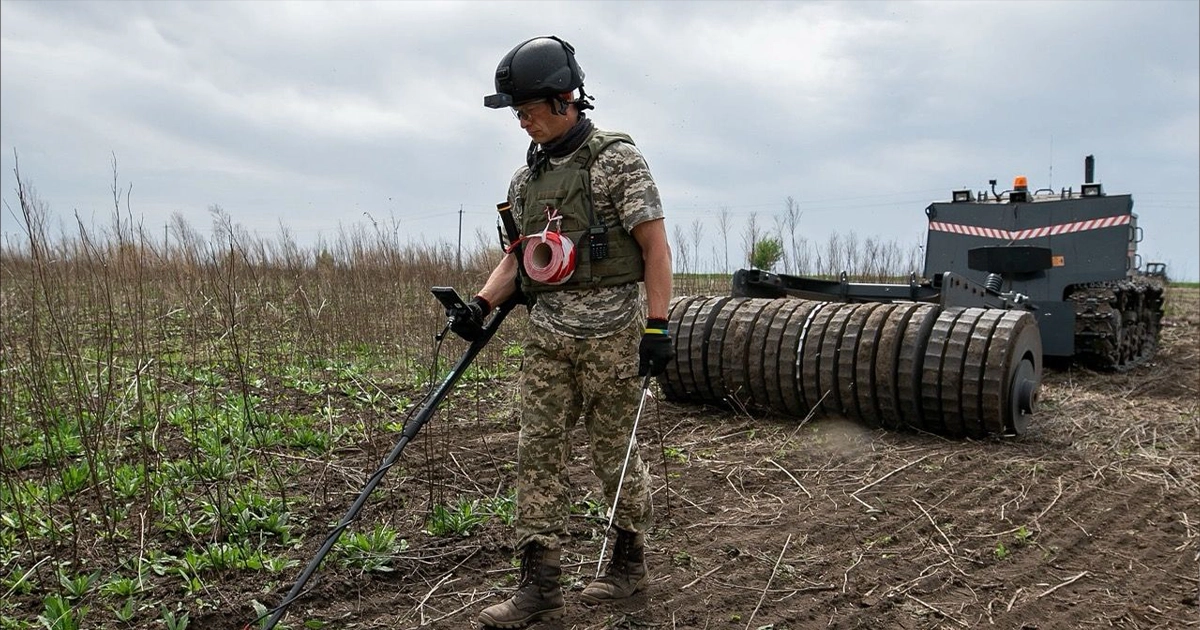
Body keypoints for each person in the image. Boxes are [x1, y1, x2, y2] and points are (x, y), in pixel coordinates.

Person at [447, 35, 674, 629]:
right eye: (516, 113)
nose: (522, 122)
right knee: (536, 453)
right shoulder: (528, 181)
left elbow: (655, 247)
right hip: (549, 334)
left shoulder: (615, 160)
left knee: (612, 455)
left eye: (527, 110)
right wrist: (479, 303)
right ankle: (540, 591)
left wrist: (657, 325)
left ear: (565, 98)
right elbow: (523, 259)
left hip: (614, 333)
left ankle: (628, 566)